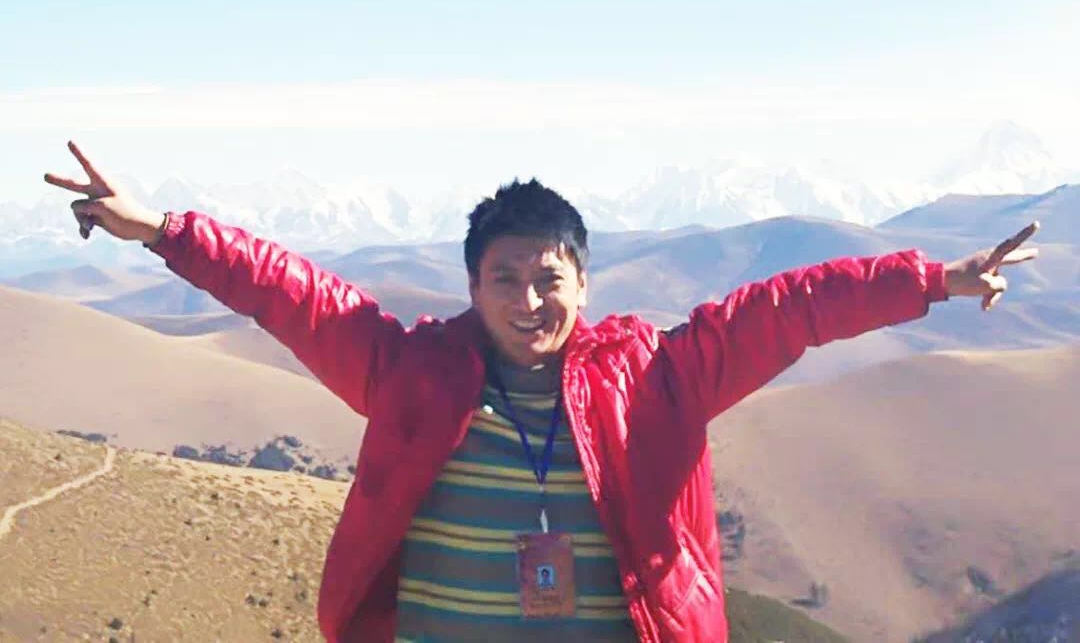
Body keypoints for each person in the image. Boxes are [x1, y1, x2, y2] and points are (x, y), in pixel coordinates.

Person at [44, 140, 1040, 643]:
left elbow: (790, 309)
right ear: (472, 286)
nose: (528, 302)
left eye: (548, 279)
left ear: (584, 283)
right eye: (505, 279)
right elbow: (292, 293)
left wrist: (932, 280)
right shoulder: (410, 374)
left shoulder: (659, 380)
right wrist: (162, 230)